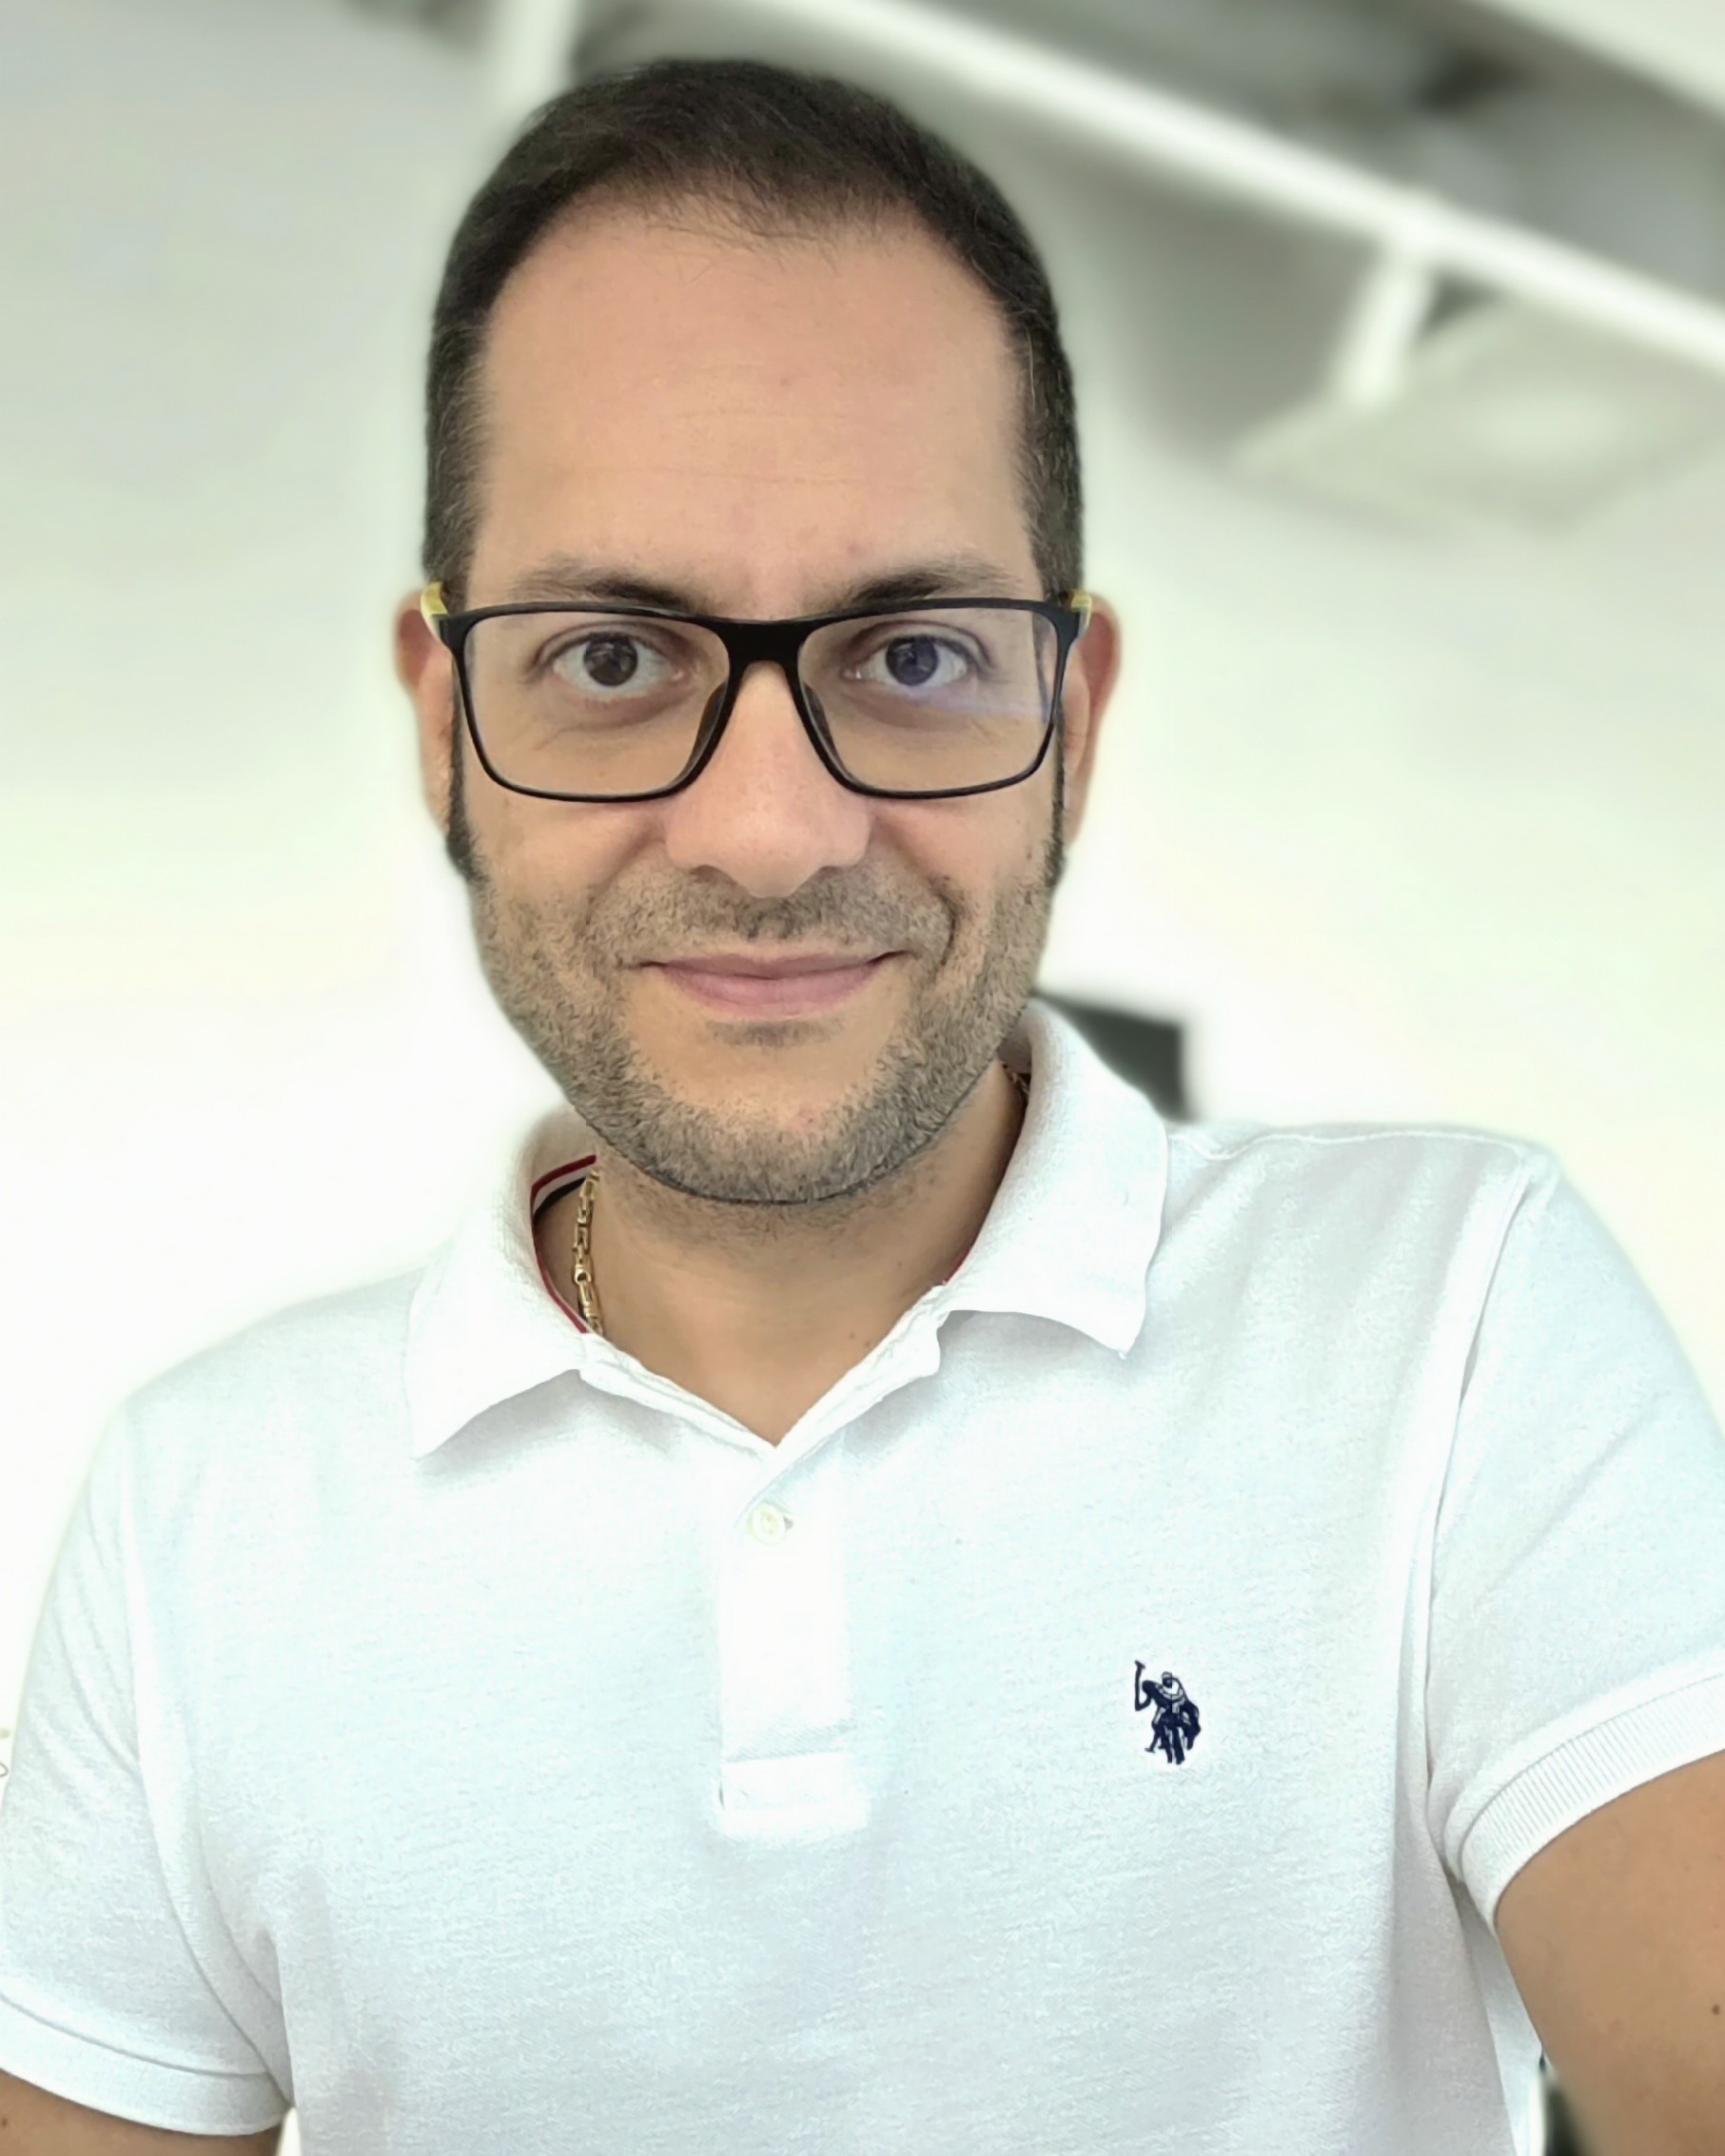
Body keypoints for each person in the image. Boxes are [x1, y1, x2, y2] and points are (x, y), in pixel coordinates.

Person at [2, 54, 1722, 2156]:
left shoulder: (1448, 1321)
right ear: (446, 721)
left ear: (1068, 718)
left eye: (910, 655)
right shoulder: (197, 1512)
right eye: (612, 656)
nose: (768, 827)